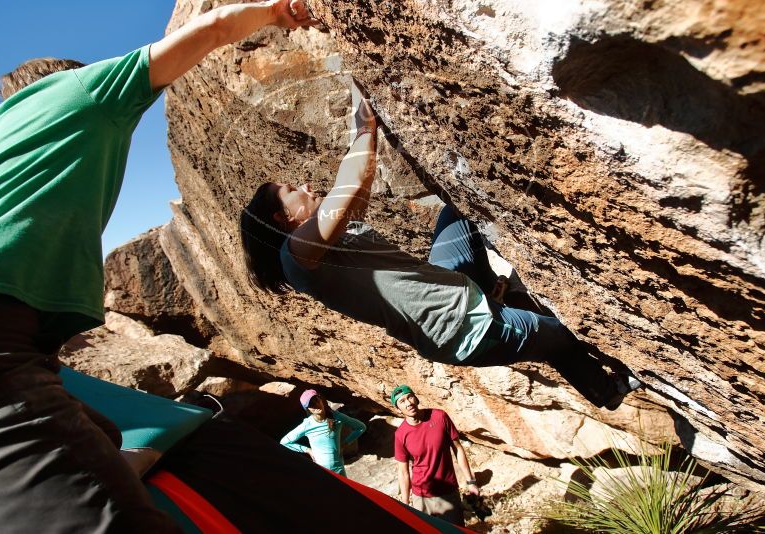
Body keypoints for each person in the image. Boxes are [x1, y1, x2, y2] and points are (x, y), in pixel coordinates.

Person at [0, 1, 316, 531]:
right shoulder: (82, 92)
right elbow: (213, 29)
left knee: (105, 437)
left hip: (20, 348)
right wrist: (278, 11)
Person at [239, 83, 641, 411]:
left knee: (456, 208)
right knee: (558, 333)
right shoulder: (294, 256)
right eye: (293, 191)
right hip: (463, 328)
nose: (306, 187)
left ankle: (496, 287)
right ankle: (605, 390)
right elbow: (351, 180)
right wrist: (366, 130)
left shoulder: (327, 237)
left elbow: (357, 186)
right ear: (282, 219)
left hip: (452, 283)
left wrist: (359, 90)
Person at [392, 385, 477, 526]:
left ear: (416, 398)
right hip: (421, 496)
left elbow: (458, 449)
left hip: (448, 491)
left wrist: (471, 482)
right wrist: (405, 504)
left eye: (409, 397)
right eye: (401, 401)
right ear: (398, 409)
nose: (408, 403)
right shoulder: (401, 434)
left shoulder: (439, 416)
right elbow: (403, 472)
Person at [279, 389, 367, 477]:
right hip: (321, 471)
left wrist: (344, 444)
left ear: (321, 399)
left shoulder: (337, 417)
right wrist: (307, 450)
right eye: (311, 404)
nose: (316, 405)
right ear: (308, 409)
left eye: (316, 400)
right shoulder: (307, 425)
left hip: (338, 469)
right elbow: (284, 442)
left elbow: (361, 427)